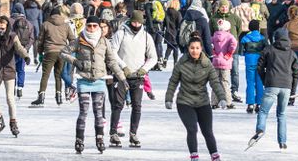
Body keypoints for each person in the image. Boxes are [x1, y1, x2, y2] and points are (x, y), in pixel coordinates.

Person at [63, 15, 126, 154]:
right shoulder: (79, 40)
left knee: (99, 114)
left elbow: (111, 61)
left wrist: (122, 77)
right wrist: (75, 62)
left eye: (94, 26)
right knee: (83, 112)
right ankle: (79, 139)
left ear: (98, 27)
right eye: (89, 26)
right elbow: (63, 52)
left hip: (99, 81)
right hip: (83, 80)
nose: (91, 28)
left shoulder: (104, 41)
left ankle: (100, 138)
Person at [165, 34, 226, 161]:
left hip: (202, 102)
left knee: (207, 131)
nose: (194, 50)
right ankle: (194, 156)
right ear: (188, 48)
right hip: (184, 101)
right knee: (192, 129)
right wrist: (169, 98)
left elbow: (215, 82)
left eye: (197, 48)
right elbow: (173, 82)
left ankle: (214, 156)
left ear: (201, 49)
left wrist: (221, 97)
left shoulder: (207, 64)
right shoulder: (181, 63)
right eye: (192, 48)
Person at [108, 9, 157, 148]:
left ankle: (133, 133)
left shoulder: (146, 36)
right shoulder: (121, 33)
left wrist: (144, 69)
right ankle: (113, 133)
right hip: (122, 75)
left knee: (137, 105)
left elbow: (153, 57)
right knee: (118, 104)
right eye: (134, 21)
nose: (136, 24)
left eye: (139, 22)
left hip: (138, 76)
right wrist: (123, 67)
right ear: (130, 21)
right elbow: (112, 52)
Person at [248, 27, 298, 151]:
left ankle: (260, 129)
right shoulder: (291, 53)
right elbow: (296, 72)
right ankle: (282, 142)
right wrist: (293, 90)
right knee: (281, 114)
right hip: (286, 86)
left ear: (275, 38)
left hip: (272, 84)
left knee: (263, 111)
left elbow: (259, 67)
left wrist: (265, 79)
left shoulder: (269, 50)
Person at [32, 6, 75, 106]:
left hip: (49, 52)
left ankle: (41, 96)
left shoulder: (45, 24)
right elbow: (72, 39)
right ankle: (59, 97)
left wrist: (40, 53)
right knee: (58, 75)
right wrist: (68, 49)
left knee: (45, 75)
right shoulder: (66, 25)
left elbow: (40, 41)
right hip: (62, 53)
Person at [210, 19, 237, 110]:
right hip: (225, 62)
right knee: (225, 82)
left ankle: (214, 102)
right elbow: (234, 43)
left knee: (215, 82)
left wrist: (214, 52)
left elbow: (210, 44)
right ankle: (228, 102)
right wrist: (229, 54)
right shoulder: (229, 36)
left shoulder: (214, 36)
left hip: (216, 61)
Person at [240, 19, 266, 113]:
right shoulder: (262, 38)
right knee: (259, 83)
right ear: (258, 28)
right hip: (259, 62)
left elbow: (241, 50)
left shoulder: (245, 38)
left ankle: (250, 104)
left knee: (250, 82)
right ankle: (259, 103)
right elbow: (266, 50)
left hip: (249, 61)